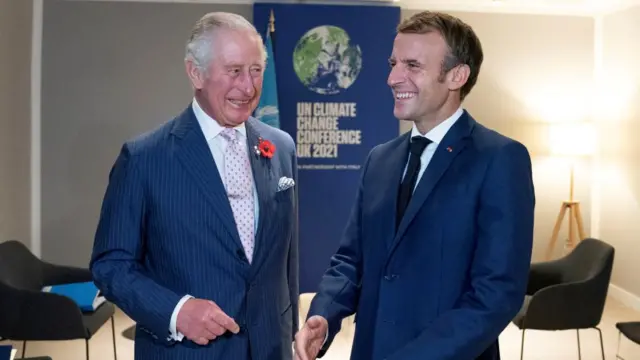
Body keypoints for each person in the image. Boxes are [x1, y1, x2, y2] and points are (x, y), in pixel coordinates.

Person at [294, 10, 535, 360]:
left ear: (456, 76)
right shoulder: (380, 159)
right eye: (393, 63)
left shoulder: (500, 159)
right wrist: (324, 315)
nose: (393, 77)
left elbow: (496, 294)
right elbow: (351, 259)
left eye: (412, 65)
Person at [90, 12, 299, 360]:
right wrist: (176, 311)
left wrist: (290, 334)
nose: (248, 88)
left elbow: (286, 258)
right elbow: (110, 264)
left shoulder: (282, 148)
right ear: (195, 72)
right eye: (234, 71)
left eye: (256, 70)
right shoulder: (143, 158)